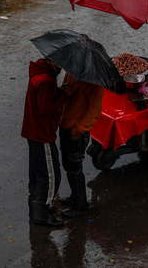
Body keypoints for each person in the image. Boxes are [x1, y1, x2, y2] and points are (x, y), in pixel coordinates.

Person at [21, 58, 70, 227]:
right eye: (59, 64)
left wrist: (56, 91)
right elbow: (46, 109)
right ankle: (42, 214)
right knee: (51, 176)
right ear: (50, 61)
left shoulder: (39, 73)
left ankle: (35, 209)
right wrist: (63, 94)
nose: (61, 68)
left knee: (36, 173)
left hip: (33, 131)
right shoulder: (45, 81)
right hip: (42, 134)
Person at [58, 73, 104, 218]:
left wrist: (78, 130)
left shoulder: (95, 82)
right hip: (65, 125)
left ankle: (81, 206)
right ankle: (75, 197)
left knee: (75, 169)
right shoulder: (71, 73)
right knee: (67, 165)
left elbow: (94, 111)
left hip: (77, 133)